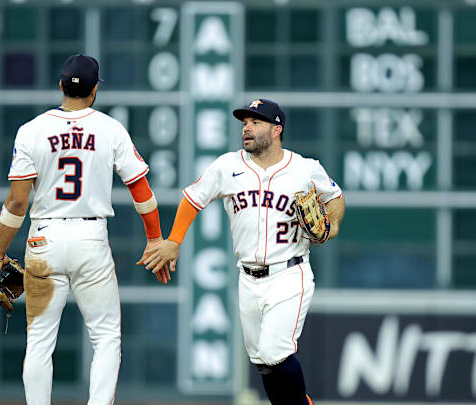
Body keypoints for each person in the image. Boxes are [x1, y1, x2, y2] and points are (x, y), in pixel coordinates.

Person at [0, 54, 170, 405]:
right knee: (105, 338)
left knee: (40, 339)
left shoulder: (32, 130)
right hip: (91, 239)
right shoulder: (110, 128)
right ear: (95, 90)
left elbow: (16, 204)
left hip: (44, 238)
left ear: (60, 85)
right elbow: (142, 193)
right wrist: (154, 239)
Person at [144, 99, 345, 405]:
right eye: (244, 123)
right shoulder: (228, 166)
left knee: (275, 352)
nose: (247, 128)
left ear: (276, 130)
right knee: (263, 363)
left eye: (255, 123)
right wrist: (174, 240)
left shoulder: (305, 168)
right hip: (248, 277)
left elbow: (334, 197)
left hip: (289, 273)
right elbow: (193, 198)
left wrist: (332, 223)